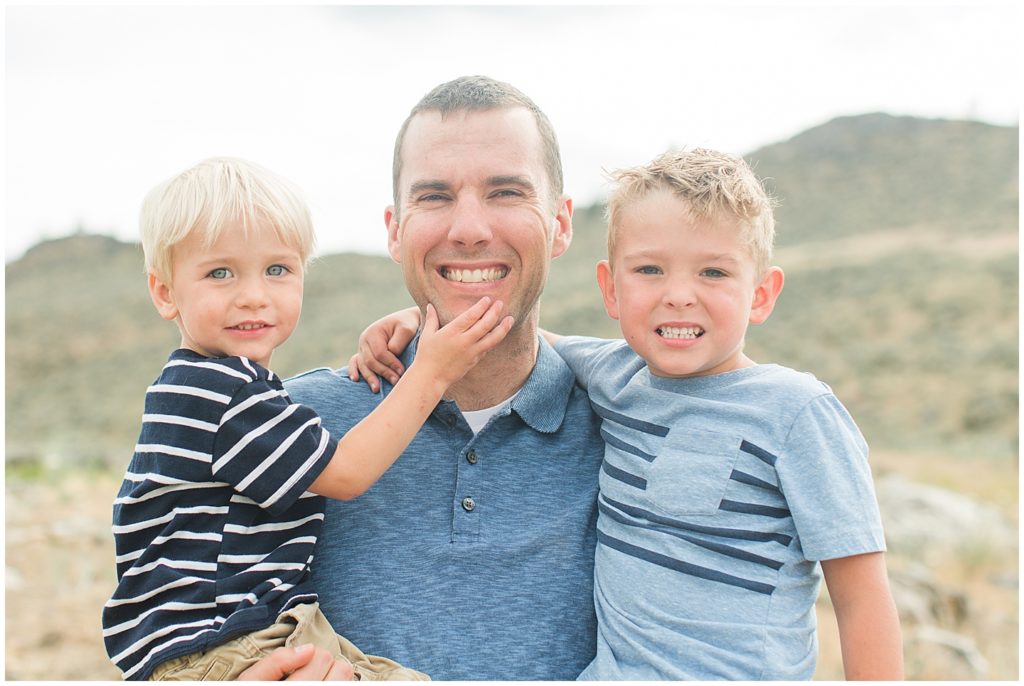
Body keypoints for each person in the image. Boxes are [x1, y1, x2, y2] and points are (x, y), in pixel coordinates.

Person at [354, 148, 904, 679]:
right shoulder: (614, 376)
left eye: (713, 273)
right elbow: (522, 337)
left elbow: (860, 597)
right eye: (649, 270)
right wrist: (419, 317)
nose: (679, 295)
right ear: (610, 290)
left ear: (761, 294)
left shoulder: (795, 412)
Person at [101, 157, 514, 681]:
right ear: (164, 292)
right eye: (219, 272)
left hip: (233, 638)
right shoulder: (218, 392)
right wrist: (431, 372)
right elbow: (344, 473)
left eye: (277, 270)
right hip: (222, 645)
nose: (253, 294)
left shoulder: (214, 386)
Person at [263, 76, 606, 681]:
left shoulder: (631, 424)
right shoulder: (294, 422)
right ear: (395, 230)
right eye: (435, 196)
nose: (469, 229)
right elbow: (175, 611)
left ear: (561, 223)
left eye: (505, 192)